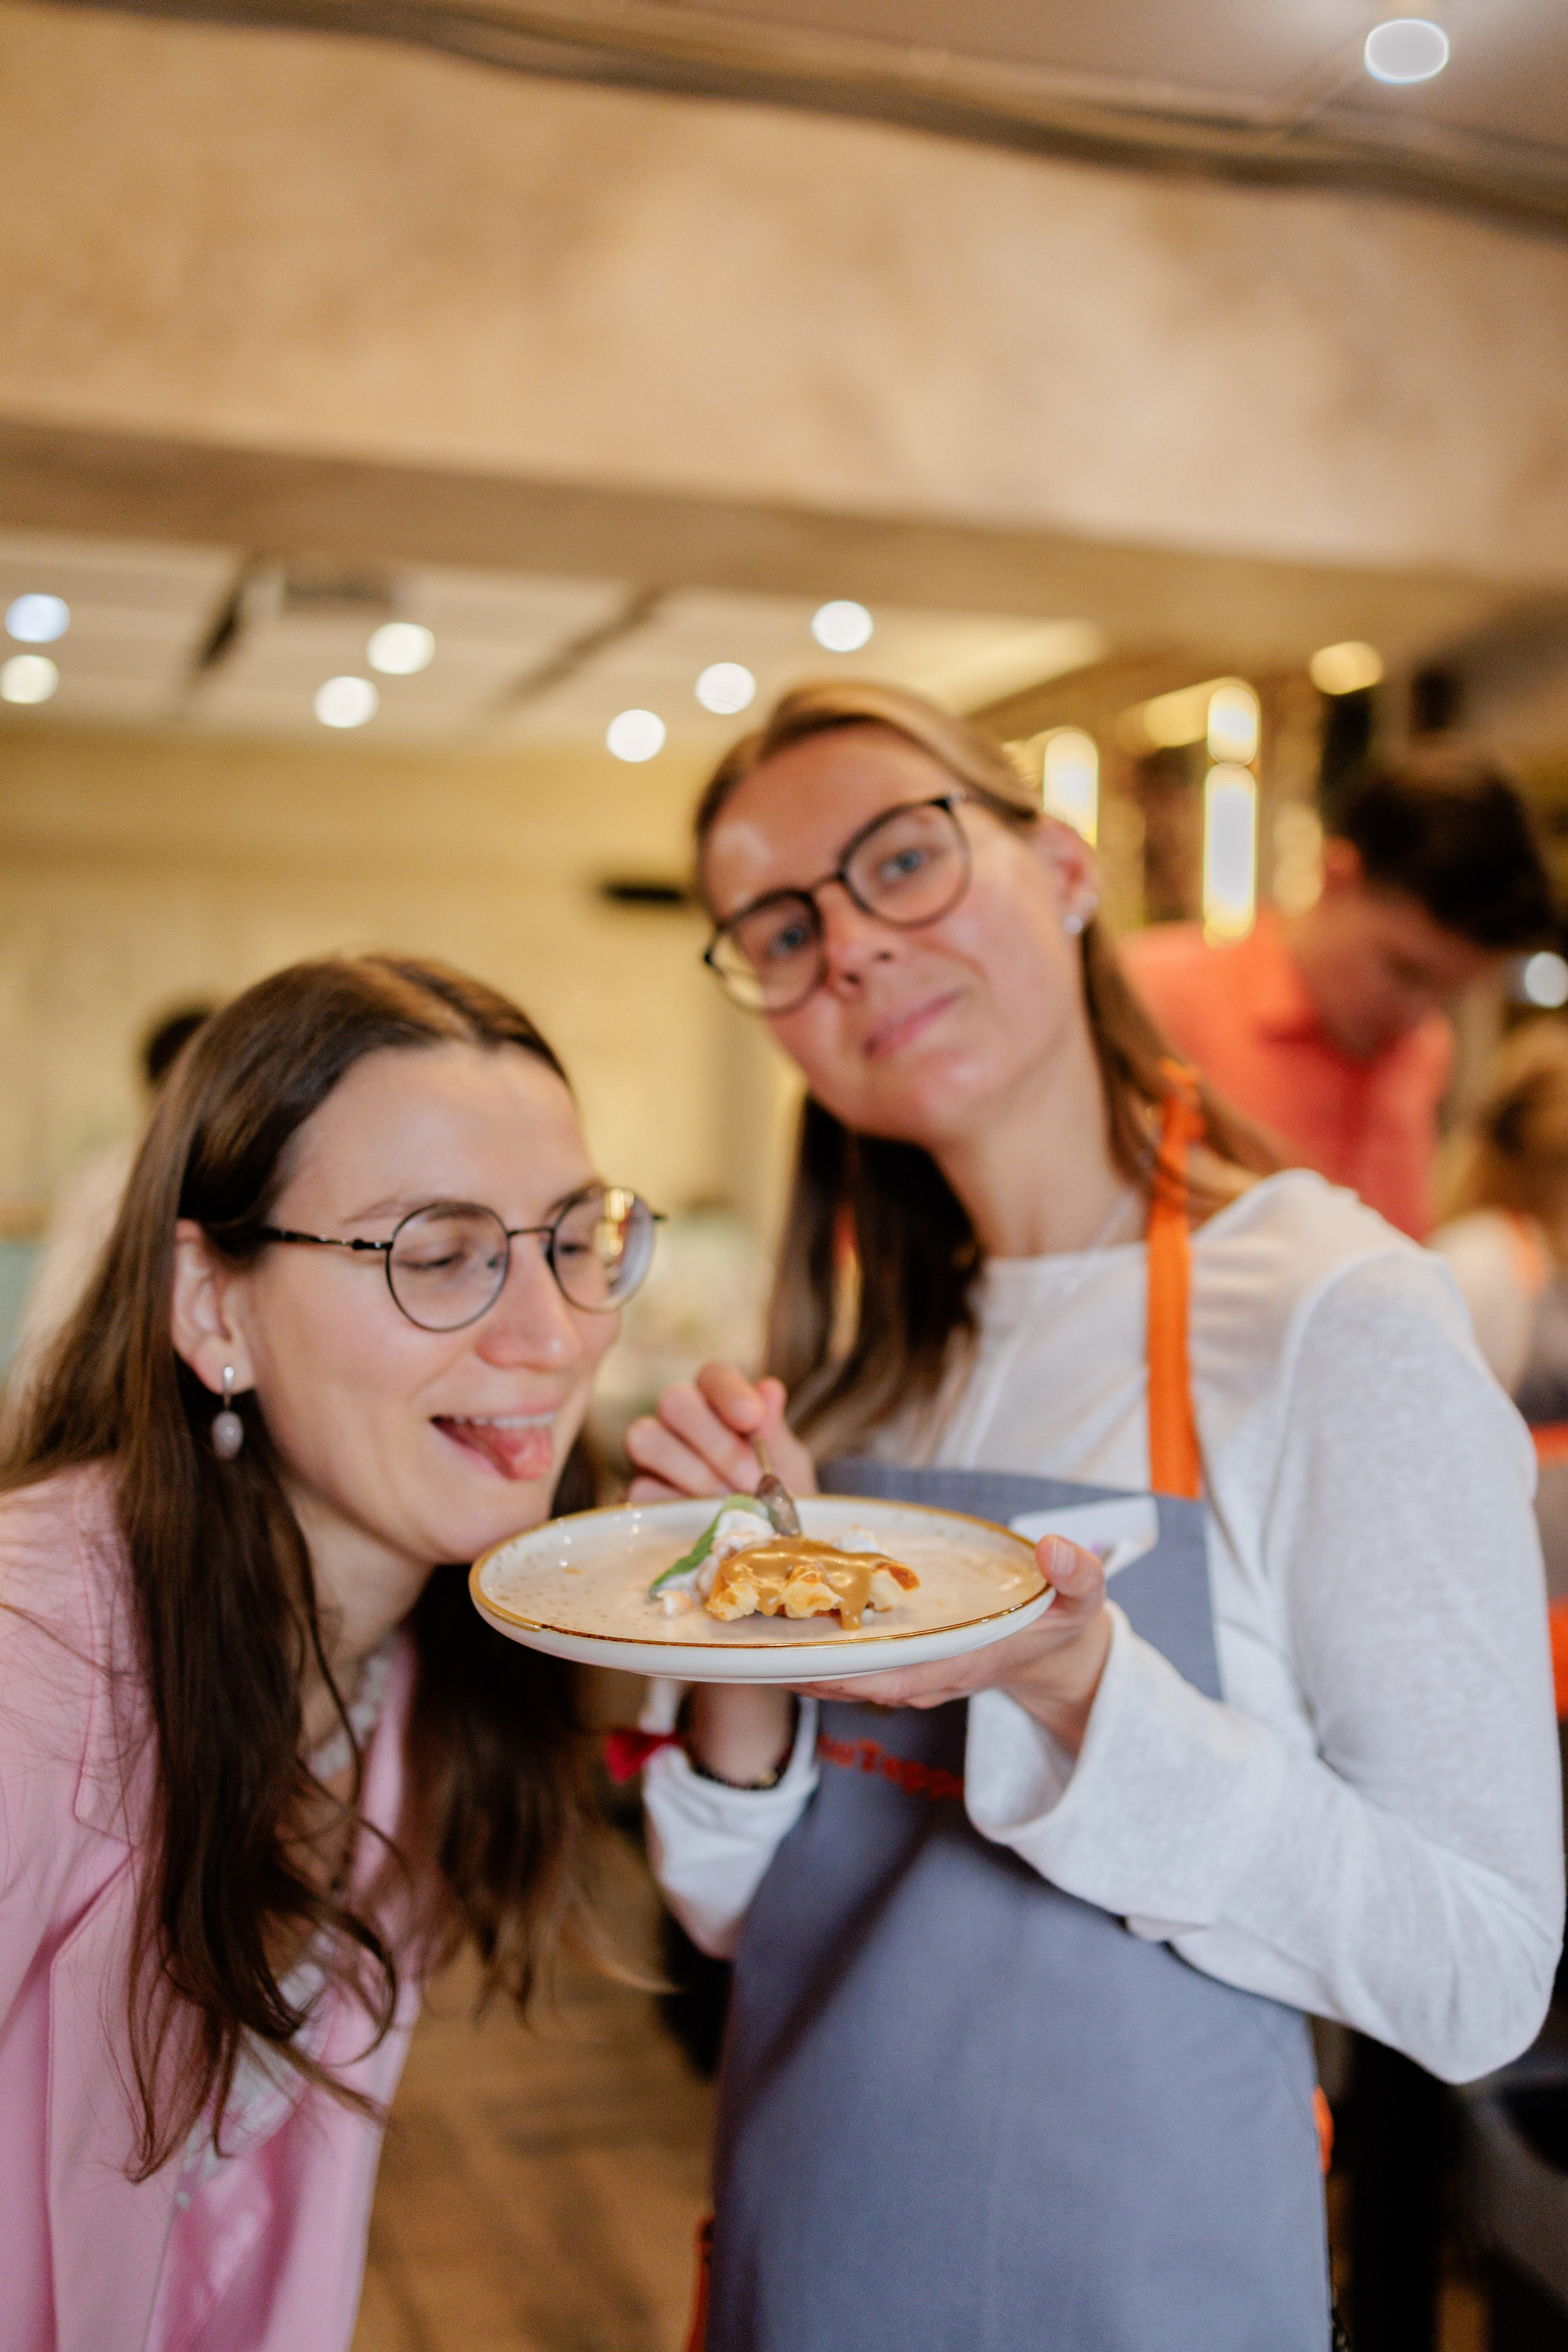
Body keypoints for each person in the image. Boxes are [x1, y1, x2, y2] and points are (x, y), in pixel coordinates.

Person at [624, 681, 1562, 2352]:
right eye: (777, 928)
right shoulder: (853, 1368)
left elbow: (1480, 1972)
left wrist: (1078, 1694)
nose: (846, 948)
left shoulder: (1332, 1315)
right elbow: (742, 1913)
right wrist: (730, 1632)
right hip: (810, 2241)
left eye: (900, 863)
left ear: (1061, 866)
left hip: (1132, 2285)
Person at [0, 954, 660, 2352]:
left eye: (571, 1237)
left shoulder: (403, 1680)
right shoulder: (29, 1667)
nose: (551, 1335)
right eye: (434, 1251)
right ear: (212, 1307)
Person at [1122, 752, 1553, 1237]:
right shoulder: (1154, 994)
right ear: (1339, 875)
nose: (1417, 1015)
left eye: (1450, 994)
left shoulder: (1424, 1050)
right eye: (1404, 971)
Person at [9, 1002, 215, 1396]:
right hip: (125, 1401)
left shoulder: (105, 1174)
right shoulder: (113, 1178)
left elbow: (49, 1316)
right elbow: (57, 1311)